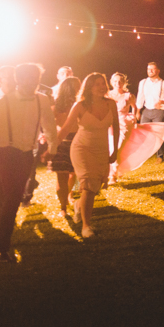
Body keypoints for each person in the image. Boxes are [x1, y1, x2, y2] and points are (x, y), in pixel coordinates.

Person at [0, 63, 58, 263]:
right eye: (28, 79)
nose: (33, 83)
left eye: (36, 79)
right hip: (4, 153)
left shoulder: (42, 100)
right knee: (14, 198)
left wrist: (53, 149)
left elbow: (50, 126)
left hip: (26, 155)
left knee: (13, 197)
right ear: (18, 80)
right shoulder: (2, 103)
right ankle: (2, 247)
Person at [55, 73, 120, 238]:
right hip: (81, 148)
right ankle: (86, 227)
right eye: (97, 84)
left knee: (93, 188)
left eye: (103, 84)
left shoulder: (111, 104)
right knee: (89, 186)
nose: (101, 87)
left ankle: (78, 205)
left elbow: (117, 127)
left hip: (101, 149)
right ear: (89, 87)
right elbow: (66, 128)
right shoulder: (79, 106)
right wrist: (51, 146)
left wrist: (115, 151)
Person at [48, 76, 82, 215]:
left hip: (80, 140)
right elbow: (49, 122)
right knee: (62, 176)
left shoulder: (83, 104)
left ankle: (70, 195)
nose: (80, 88)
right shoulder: (57, 106)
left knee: (75, 174)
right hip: (62, 141)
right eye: (77, 86)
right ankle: (63, 206)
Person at [136, 62, 164, 162]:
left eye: (152, 69)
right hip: (147, 110)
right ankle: (142, 156)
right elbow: (140, 97)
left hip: (159, 111)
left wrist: (162, 101)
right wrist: (138, 111)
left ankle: (160, 156)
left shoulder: (163, 83)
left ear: (158, 71)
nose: (150, 71)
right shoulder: (143, 82)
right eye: (148, 69)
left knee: (157, 134)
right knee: (142, 133)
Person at [107, 72, 137, 182]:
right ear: (111, 82)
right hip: (111, 125)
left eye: (120, 81)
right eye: (115, 81)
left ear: (124, 82)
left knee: (118, 149)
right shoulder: (108, 95)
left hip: (124, 124)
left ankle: (112, 175)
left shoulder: (128, 95)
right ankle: (113, 172)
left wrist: (134, 118)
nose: (117, 83)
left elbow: (135, 107)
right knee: (111, 149)